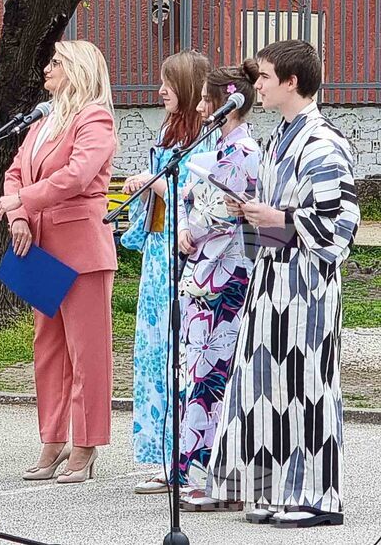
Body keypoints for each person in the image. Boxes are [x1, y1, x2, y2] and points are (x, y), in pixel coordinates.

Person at [207, 40, 360, 528]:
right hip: (273, 279)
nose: (257, 86)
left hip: (307, 286)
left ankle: (317, 496)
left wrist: (280, 215)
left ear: (292, 81)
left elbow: (341, 223)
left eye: (266, 77)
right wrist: (253, 212)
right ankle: (271, 489)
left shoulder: (323, 142)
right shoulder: (280, 140)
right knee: (264, 386)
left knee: (305, 384)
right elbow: (286, 220)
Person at [0, 40, 119, 484]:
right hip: (39, 247)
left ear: (78, 69)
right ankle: (52, 438)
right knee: (48, 350)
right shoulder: (44, 120)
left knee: (87, 354)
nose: (46, 69)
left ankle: (85, 445)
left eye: (55, 63)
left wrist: (19, 200)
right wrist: (19, 215)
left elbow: (77, 176)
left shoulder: (95, 118)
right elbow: (14, 171)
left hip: (81, 246)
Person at [123, 50, 217, 493]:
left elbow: (202, 196)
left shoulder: (207, 137)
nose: (160, 90)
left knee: (179, 350)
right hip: (159, 251)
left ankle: (185, 454)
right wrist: (147, 182)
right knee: (155, 348)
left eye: (168, 82)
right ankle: (163, 453)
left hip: (185, 251)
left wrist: (154, 182)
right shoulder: (169, 131)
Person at [174, 62, 261, 509]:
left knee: (214, 375)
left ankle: (211, 475)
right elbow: (195, 198)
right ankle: (199, 469)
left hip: (228, 272)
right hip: (205, 266)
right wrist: (187, 224)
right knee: (199, 368)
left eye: (209, 101)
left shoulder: (245, 150)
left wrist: (198, 217)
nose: (204, 108)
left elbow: (230, 211)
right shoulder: (215, 148)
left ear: (228, 105)